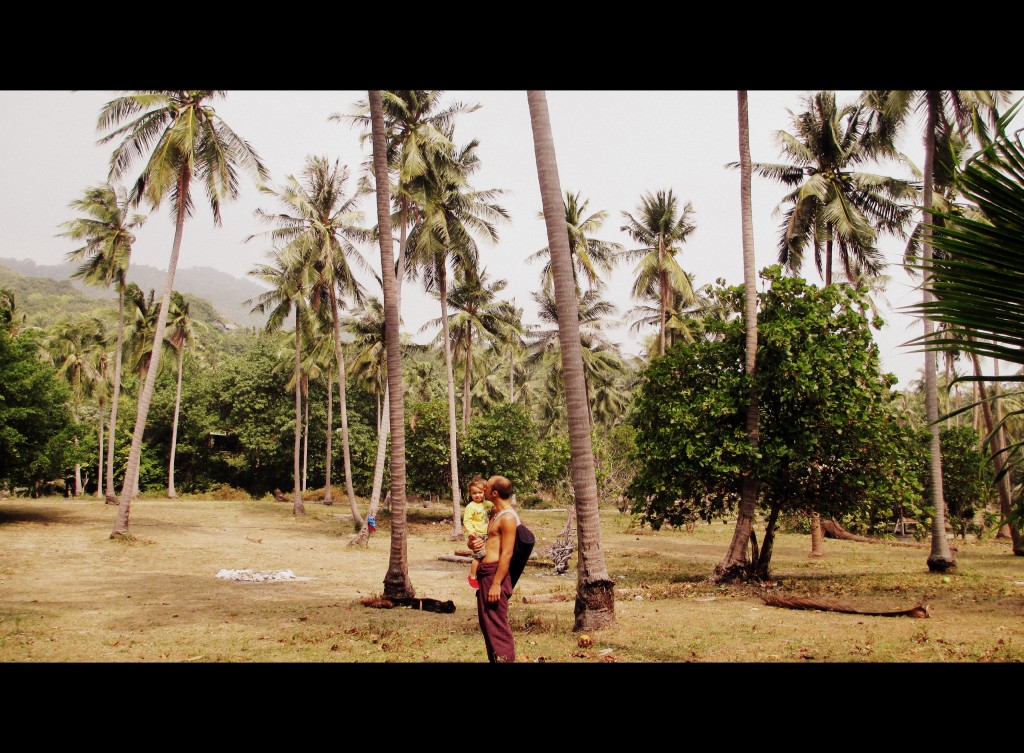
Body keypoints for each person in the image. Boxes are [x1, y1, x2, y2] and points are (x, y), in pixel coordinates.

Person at [469, 474, 518, 663]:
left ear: (494, 493)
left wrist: (497, 584)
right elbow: (488, 543)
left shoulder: (508, 518)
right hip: (485, 572)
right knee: (487, 625)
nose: (483, 488)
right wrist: (474, 544)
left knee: (498, 627)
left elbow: (507, 553)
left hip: (495, 575)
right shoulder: (493, 513)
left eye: (487, 486)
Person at [462, 475, 492, 589]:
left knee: (485, 556)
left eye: (480, 492)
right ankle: (472, 576)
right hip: (477, 535)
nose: (477, 495)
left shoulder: (487, 504)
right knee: (478, 557)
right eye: (474, 493)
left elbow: (496, 507)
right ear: (470, 494)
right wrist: (471, 532)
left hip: (486, 534)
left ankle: (480, 574)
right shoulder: (471, 506)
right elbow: (467, 521)